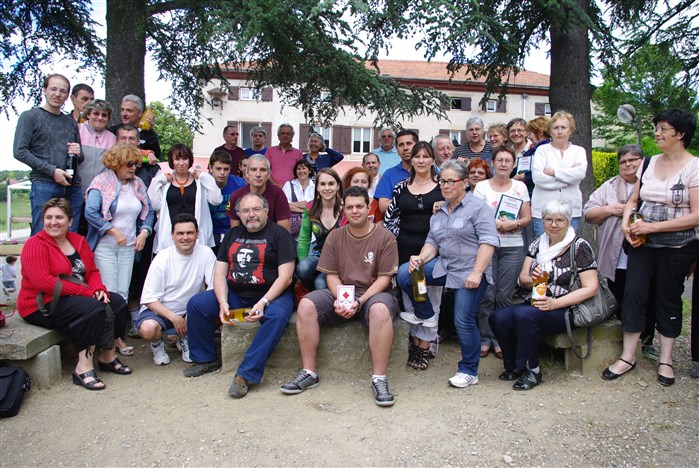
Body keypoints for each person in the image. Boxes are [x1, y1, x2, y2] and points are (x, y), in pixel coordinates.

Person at [604, 109, 699, 386]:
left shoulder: (694, 167)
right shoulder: (649, 162)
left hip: (678, 245)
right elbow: (634, 201)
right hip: (642, 243)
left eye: (663, 128)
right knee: (634, 294)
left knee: (667, 297)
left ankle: (666, 360)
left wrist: (652, 227)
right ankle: (628, 356)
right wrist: (626, 225)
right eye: (656, 128)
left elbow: (696, 215)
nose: (657, 132)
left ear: (680, 134)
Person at [281, 186, 400, 407]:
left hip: (373, 294)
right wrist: (342, 299)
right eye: (350, 207)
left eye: (359, 206)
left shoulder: (385, 237)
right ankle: (309, 372)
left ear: (368, 209)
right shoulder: (335, 237)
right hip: (342, 292)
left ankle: (379, 378)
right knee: (306, 304)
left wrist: (359, 301)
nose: (355, 211)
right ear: (343, 209)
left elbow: (384, 280)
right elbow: (332, 275)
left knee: (381, 310)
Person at [398, 159, 498, 388]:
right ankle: (426, 313)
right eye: (442, 180)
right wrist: (420, 259)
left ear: (464, 183)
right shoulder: (440, 210)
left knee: (463, 321)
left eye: (450, 181)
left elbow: (488, 241)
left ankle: (469, 371)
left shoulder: (478, 208)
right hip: (445, 266)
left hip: (469, 272)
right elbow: (432, 241)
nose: (445, 185)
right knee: (406, 273)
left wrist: (477, 272)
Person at [185, 193, 296, 398]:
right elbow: (219, 273)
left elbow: (286, 277)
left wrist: (264, 302)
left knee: (277, 316)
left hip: (273, 295)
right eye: (245, 211)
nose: (251, 215)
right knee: (197, 305)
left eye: (255, 209)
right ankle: (206, 359)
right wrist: (222, 302)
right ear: (239, 214)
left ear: (265, 211)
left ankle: (246, 374)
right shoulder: (232, 234)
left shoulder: (280, 235)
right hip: (237, 293)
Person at [18, 198, 131, 390]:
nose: (53, 222)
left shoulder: (78, 240)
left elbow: (92, 271)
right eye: (49, 217)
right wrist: (86, 292)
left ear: (70, 221)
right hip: (42, 304)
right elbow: (43, 282)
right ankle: (83, 367)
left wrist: (98, 289)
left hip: (76, 297)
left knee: (117, 302)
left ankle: (107, 356)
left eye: (59, 217)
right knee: (94, 308)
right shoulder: (35, 244)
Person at [490, 200, 599, 390]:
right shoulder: (537, 244)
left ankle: (533, 371)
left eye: (560, 220)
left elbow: (591, 288)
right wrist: (535, 279)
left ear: (568, 222)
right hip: (537, 301)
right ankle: (516, 366)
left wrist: (554, 304)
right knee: (498, 317)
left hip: (567, 307)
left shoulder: (579, 247)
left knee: (523, 315)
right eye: (549, 220)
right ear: (543, 220)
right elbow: (522, 279)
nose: (553, 225)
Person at [583, 145, 658, 360]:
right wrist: (610, 209)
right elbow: (588, 212)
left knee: (647, 297)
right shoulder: (609, 187)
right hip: (616, 256)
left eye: (633, 160)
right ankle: (622, 344)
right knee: (620, 296)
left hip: (647, 252)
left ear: (643, 161)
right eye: (623, 161)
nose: (628, 165)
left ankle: (647, 342)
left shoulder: (653, 185)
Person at [85, 143, 155, 356]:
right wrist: (112, 231)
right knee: (108, 292)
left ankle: (117, 337)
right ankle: (105, 340)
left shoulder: (137, 184)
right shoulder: (101, 182)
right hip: (105, 246)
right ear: (116, 163)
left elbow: (149, 210)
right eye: (128, 164)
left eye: (135, 163)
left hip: (129, 246)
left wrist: (144, 231)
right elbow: (91, 212)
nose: (133, 168)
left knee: (122, 294)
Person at [384, 142, 444, 370]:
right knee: (411, 299)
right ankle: (416, 342)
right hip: (405, 249)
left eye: (425, 156)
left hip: (433, 250)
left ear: (432, 160)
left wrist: (444, 205)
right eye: (417, 157)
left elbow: (455, 213)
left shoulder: (442, 187)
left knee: (431, 297)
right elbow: (390, 220)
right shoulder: (401, 187)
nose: (420, 160)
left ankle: (425, 346)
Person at [472, 145, 531, 359]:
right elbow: (475, 216)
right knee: (487, 294)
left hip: (513, 246)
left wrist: (513, 224)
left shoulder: (520, 188)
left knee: (505, 295)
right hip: (487, 247)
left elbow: (527, 218)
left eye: (508, 160)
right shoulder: (482, 188)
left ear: (513, 164)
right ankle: (485, 338)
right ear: (493, 163)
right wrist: (493, 223)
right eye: (500, 160)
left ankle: (501, 339)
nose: (504, 164)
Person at [137, 214, 216, 365]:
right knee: (148, 329)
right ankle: (157, 344)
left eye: (190, 233)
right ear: (172, 235)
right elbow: (149, 299)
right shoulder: (162, 258)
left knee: (217, 310)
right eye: (180, 233)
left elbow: (213, 287)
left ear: (197, 233)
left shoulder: (206, 253)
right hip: (161, 311)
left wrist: (192, 315)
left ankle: (186, 338)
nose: (185, 237)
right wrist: (174, 318)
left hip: (190, 309)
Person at [13, 74, 83, 234]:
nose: (57, 94)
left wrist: (78, 152)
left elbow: (80, 157)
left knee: (71, 236)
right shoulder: (30, 117)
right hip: (45, 184)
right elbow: (19, 151)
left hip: (72, 186)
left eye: (62, 91)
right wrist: (52, 171)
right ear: (44, 90)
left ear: (67, 96)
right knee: (43, 234)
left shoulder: (70, 122)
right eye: (53, 89)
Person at [115, 124, 161, 334]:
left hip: (141, 233)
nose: (127, 142)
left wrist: (145, 230)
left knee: (136, 277)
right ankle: (115, 327)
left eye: (132, 138)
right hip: (112, 237)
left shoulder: (147, 170)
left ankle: (132, 319)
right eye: (123, 137)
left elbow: (150, 207)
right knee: (113, 282)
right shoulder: (106, 174)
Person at [148, 144, 222, 253]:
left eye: (185, 158)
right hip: (171, 237)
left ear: (190, 160)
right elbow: (155, 205)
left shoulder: (200, 182)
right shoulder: (165, 183)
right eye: (177, 159)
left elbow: (216, 200)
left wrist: (204, 176)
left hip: (195, 236)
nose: (181, 163)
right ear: (171, 161)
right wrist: (158, 180)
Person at [531, 111, 587, 237]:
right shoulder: (541, 151)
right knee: (543, 250)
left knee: (568, 250)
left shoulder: (579, 151)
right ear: (550, 131)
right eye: (556, 128)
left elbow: (580, 173)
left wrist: (554, 172)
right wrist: (569, 178)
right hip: (543, 211)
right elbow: (538, 178)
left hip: (571, 211)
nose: (560, 131)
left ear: (570, 130)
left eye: (564, 127)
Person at [296, 168, 344, 291]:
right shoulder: (310, 208)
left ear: (338, 186)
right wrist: (303, 263)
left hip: (341, 260)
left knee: (320, 284)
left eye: (331, 184)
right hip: (319, 256)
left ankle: (322, 295)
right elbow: (304, 239)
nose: (327, 188)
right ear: (317, 187)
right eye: (322, 184)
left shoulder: (346, 208)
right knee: (302, 268)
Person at [227, 154, 291, 231]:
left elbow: (284, 233)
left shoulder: (278, 194)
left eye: (263, 170)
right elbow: (235, 232)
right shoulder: (236, 196)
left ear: (268, 174)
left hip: (272, 240)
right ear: (246, 173)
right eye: (253, 170)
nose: (258, 174)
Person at [208, 151, 246, 254]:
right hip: (210, 232)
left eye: (226, 169)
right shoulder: (203, 184)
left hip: (232, 230)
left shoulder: (239, 184)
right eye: (218, 169)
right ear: (210, 168)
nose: (222, 173)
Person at [78, 99, 116, 196]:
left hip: (101, 194)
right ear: (88, 115)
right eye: (96, 113)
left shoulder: (112, 138)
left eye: (104, 115)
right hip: (76, 190)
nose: (100, 118)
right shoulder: (77, 130)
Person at [374, 129, 418, 213]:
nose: (405, 148)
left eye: (409, 143)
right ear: (397, 149)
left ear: (417, 146)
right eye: (401, 145)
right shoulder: (389, 175)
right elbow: (383, 207)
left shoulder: (429, 171)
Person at [109, 94, 161, 159]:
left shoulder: (147, 133)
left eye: (129, 110)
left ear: (139, 113)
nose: (124, 114)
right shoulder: (113, 131)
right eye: (122, 110)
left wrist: (149, 131)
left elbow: (157, 155)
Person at [282, 159, 315, 238]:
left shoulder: (315, 187)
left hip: (311, 232)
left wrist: (292, 204)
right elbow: (284, 205)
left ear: (309, 170)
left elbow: (315, 207)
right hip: (293, 232)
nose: (301, 171)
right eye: (298, 169)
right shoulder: (288, 185)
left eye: (304, 168)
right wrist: (305, 209)